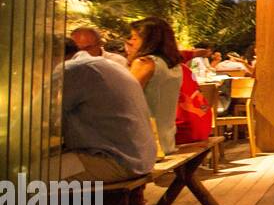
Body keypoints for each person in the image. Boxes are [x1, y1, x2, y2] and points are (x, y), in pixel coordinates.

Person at [60, 38, 157, 184]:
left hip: (116, 161)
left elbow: (39, 116)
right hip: (141, 157)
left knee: (26, 174)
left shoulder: (70, 70)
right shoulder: (106, 64)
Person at [124, 16, 185, 155]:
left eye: (134, 37)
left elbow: (125, 98)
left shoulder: (144, 63)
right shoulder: (175, 65)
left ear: (149, 40)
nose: (130, 42)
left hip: (146, 142)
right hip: (167, 140)